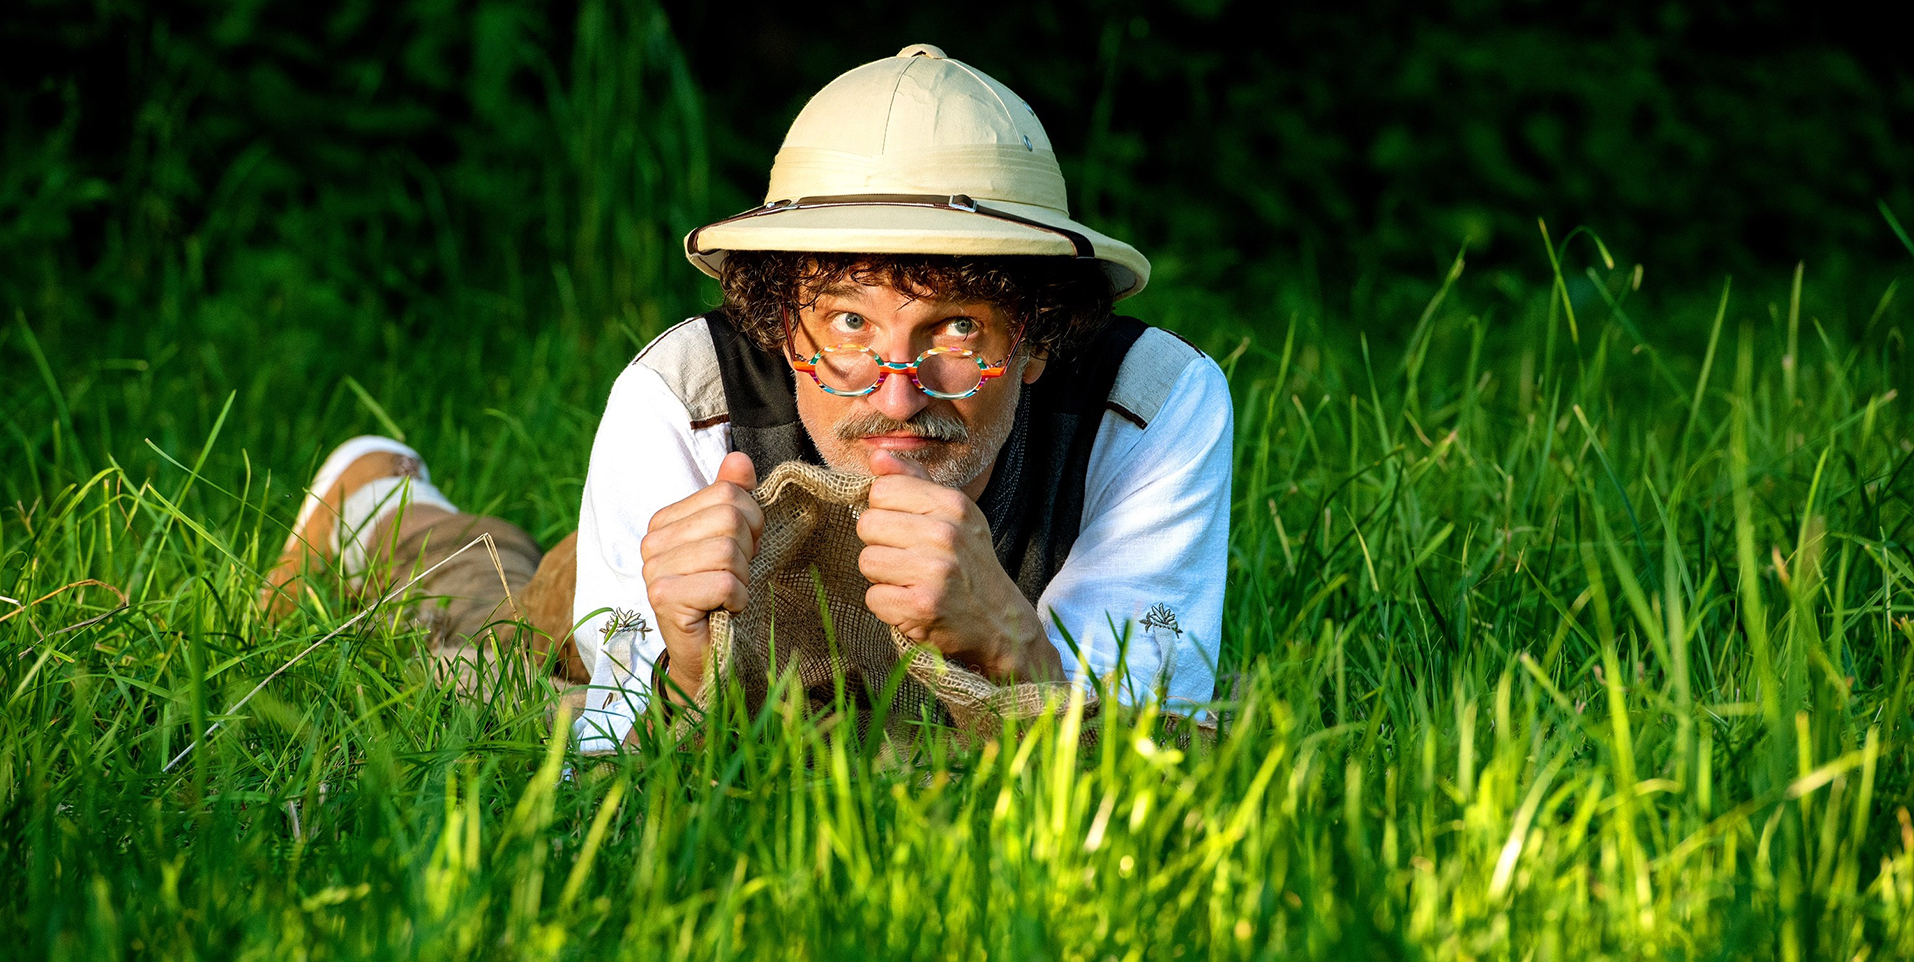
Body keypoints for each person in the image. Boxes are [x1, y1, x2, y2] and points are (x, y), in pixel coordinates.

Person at [261, 45, 1232, 746]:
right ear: (779, 326)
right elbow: (614, 739)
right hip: (643, 591)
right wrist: (687, 662)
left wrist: (1013, 639)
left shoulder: (1153, 407)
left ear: (1040, 339)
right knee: (503, 635)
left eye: (957, 332)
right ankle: (380, 506)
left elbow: (1144, 747)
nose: (898, 398)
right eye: (848, 323)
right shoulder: (683, 396)